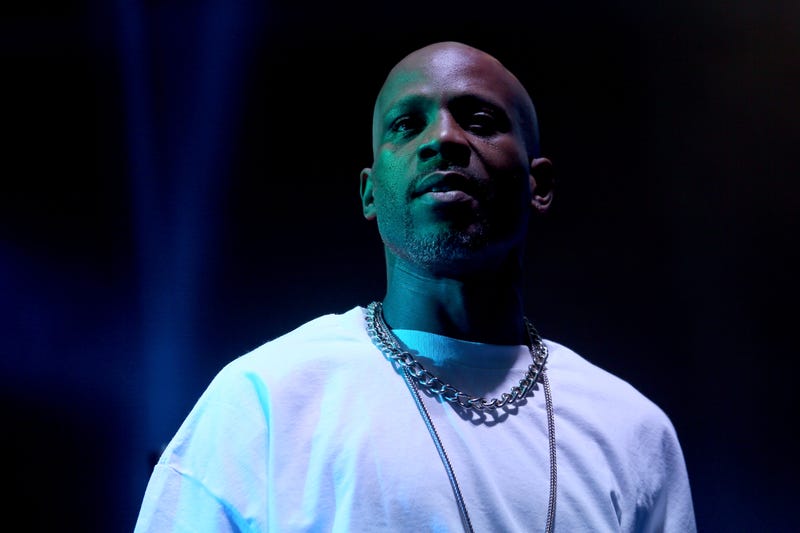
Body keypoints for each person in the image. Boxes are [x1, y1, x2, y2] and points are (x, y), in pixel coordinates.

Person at [134, 41, 696, 532]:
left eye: (479, 120)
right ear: (370, 192)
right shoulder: (264, 400)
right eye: (406, 125)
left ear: (538, 184)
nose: (444, 138)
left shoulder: (631, 432)